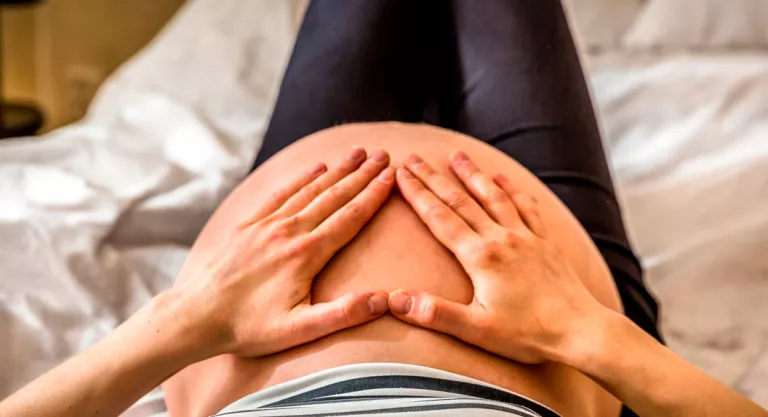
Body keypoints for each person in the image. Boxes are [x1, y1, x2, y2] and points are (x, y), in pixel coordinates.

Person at [1, 1, 766, 417]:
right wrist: (583, 328)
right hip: (562, 287)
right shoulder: (582, 323)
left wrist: (188, 319)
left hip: (285, 222)